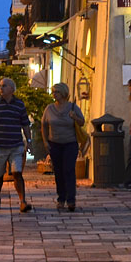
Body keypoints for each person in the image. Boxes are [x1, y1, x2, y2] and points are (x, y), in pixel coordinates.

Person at [0, 77, 34, 212]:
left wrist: (29, 141)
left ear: (12, 89)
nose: (1, 88)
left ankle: (22, 201)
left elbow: (25, 124)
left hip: (16, 145)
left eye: (4, 86)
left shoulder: (19, 105)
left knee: (17, 172)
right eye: (0, 86)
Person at [42, 83, 85, 212]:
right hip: (54, 144)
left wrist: (74, 117)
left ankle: (71, 199)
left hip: (70, 143)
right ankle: (61, 198)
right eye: (53, 92)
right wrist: (45, 141)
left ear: (64, 93)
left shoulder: (72, 107)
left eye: (57, 92)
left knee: (69, 170)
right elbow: (44, 125)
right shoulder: (49, 108)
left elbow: (82, 122)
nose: (54, 94)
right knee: (58, 172)